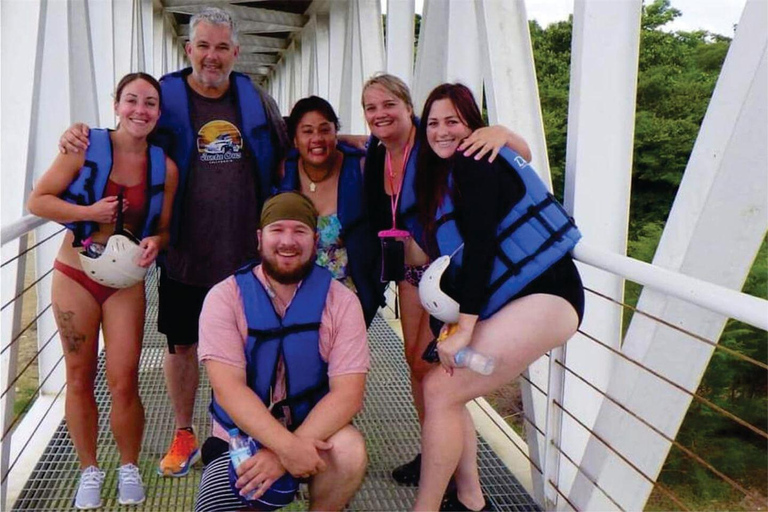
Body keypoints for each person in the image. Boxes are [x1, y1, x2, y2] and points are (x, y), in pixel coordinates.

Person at [58, 7, 288, 478]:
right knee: (181, 347)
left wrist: (353, 139)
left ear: (236, 53)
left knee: (245, 347)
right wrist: (77, 133)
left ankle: (233, 434)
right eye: (203, 45)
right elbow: (129, 137)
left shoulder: (257, 100)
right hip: (184, 252)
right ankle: (184, 432)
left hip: (245, 255)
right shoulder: (166, 97)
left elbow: (289, 150)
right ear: (188, 50)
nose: (212, 55)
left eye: (222, 47)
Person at [412, 83, 584, 511]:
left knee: (439, 392)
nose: (441, 131)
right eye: (433, 123)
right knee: (445, 389)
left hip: (548, 295)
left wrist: (466, 327)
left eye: (452, 120)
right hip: (521, 298)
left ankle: (430, 507)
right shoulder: (457, 168)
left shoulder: (475, 163)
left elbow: (484, 244)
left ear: (473, 124)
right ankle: (470, 501)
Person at [360, 73, 533, 486]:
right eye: (371, 108)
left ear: (409, 109)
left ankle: (460, 476)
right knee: (417, 369)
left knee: (436, 374)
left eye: (389, 105)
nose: (380, 114)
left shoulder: (433, 144)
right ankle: (433, 452)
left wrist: (503, 132)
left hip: (447, 282)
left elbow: (520, 157)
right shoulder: (375, 151)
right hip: (410, 277)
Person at [27, 72, 179, 509]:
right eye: (131, 100)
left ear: (158, 113)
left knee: (124, 379)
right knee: (79, 377)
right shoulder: (83, 147)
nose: (140, 110)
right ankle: (89, 469)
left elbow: (165, 229)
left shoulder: (164, 167)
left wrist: (157, 242)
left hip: (125, 283)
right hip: (75, 273)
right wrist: (88, 210)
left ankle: (128, 465)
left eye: (149, 103)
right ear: (116, 104)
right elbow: (39, 200)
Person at [193, 192, 369, 512]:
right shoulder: (224, 297)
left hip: (313, 429)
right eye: (278, 230)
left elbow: (349, 394)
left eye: (299, 231)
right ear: (260, 238)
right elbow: (228, 388)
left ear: (315, 240)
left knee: (350, 450)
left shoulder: (342, 302)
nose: (288, 241)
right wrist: (284, 448)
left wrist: (286, 451)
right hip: (240, 436)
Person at [279, 96, 384, 326]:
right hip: (291, 296)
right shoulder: (283, 171)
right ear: (294, 139)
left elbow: (401, 144)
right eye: (307, 131)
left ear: (336, 132)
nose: (317, 138)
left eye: (325, 130)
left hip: (350, 298)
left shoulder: (361, 167)